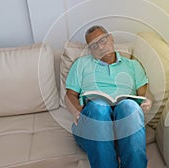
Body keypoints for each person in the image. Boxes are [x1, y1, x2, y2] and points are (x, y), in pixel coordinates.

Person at [64, 25, 152, 168]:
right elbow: (70, 95)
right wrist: (76, 110)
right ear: (90, 49)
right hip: (92, 126)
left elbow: (145, 94)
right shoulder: (81, 64)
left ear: (111, 38)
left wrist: (147, 101)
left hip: (125, 128)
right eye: (94, 45)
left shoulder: (133, 66)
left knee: (129, 106)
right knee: (99, 106)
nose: (100, 47)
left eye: (102, 40)